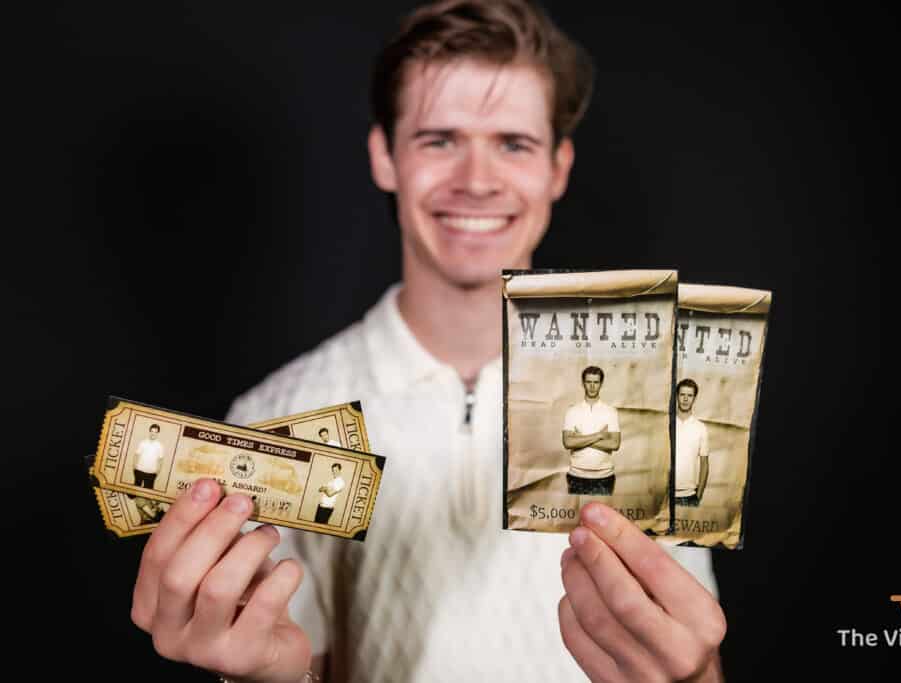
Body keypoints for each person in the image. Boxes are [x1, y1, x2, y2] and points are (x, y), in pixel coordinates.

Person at [129, 2, 726, 681]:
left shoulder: (652, 402)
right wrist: (269, 675)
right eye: (439, 139)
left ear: (558, 168)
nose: (476, 180)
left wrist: (697, 675)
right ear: (385, 156)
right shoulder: (274, 419)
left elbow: (689, 660)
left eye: (513, 143)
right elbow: (285, 662)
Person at [562, 365, 621, 495]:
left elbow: (615, 444)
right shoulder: (572, 411)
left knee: (601, 514)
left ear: (601, 384)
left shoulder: (611, 411)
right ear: (583, 383)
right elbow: (567, 443)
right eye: (589, 382)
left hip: (604, 477)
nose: (592, 386)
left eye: (596, 382)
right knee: (578, 515)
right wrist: (599, 435)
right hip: (577, 476)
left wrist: (580, 439)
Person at [675, 378, 710, 507]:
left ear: (694, 398)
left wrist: (698, 496)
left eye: (690, 395)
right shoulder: (667, 423)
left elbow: (704, 464)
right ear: (677, 396)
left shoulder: (701, 428)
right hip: (664, 496)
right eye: (682, 395)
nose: (685, 399)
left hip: (688, 498)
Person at [133, 423, 163, 489]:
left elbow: (160, 460)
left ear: (158, 433)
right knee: (133, 494)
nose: (153, 433)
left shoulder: (159, 446)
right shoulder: (143, 442)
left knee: (146, 495)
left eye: (155, 432)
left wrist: (157, 472)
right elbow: (136, 455)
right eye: (152, 431)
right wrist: (134, 467)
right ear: (149, 432)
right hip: (139, 470)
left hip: (151, 473)